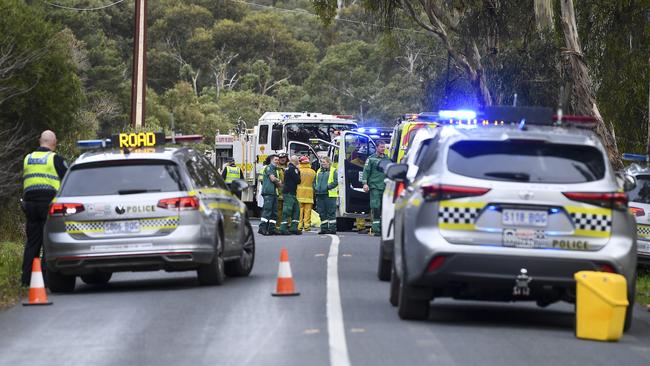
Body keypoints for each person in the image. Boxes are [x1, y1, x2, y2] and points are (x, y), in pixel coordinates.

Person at [21, 130, 68, 286]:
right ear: (54, 143)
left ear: (39, 141)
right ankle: (45, 279)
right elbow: (67, 181)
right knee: (48, 241)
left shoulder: (28, 159)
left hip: (30, 206)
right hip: (48, 205)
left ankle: (27, 279)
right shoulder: (55, 159)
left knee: (32, 243)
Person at [362, 141, 389, 236]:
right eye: (381, 147)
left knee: (384, 208)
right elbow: (366, 172)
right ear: (377, 147)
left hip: (385, 187)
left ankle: (383, 229)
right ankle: (376, 229)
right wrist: (365, 183)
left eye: (384, 147)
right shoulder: (371, 159)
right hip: (375, 187)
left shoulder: (387, 159)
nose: (383, 149)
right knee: (376, 206)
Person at [314, 156, 338, 235]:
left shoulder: (333, 171)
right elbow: (315, 181)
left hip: (329, 194)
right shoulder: (319, 171)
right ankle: (324, 228)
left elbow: (336, 181)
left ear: (328, 162)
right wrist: (315, 188)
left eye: (324, 162)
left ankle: (332, 229)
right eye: (321, 162)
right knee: (322, 213)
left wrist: (327, 187)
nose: (322, 163)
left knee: (330, 212)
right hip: (320, 194)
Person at [259, 155, 282, 235]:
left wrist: (278, 183)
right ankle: (262, 228)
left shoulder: (275, 169)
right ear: (271, 160)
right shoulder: (269, 168)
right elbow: (272, 179)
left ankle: (272, 228)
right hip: (269, 192)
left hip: (273, 192)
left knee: (274, 212)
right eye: (276, 160)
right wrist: (279, 181)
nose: (277, 161)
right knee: (267, 210)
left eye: (278, 160)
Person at [278, 156, 301, 235]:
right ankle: (283, 228)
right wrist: (298, 171)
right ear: (295, 161)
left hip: (290, 192)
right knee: (287, 210)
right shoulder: (293, 169)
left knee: (296, 210)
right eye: (298, 160)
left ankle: (293, 227)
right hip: (289, 193)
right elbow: (298, 180)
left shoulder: (288, 168)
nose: (299, 161)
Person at [297, 155, 316, 233]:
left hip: (299, 194)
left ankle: (299, 226)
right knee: (308, 211)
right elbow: (314, 183)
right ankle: (307, 226)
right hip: (309, 194)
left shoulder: (298, 171)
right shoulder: (313, 172)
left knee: (300, 211)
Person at [276, 153, 288, 230]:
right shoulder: (276, 168)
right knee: (279, 210)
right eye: (281, 158)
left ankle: (286, 225)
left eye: (284, 157)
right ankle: (278, 225)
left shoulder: (289, 167)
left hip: (287, 192)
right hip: (279, 192)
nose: (283, 159)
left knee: (287, 210)